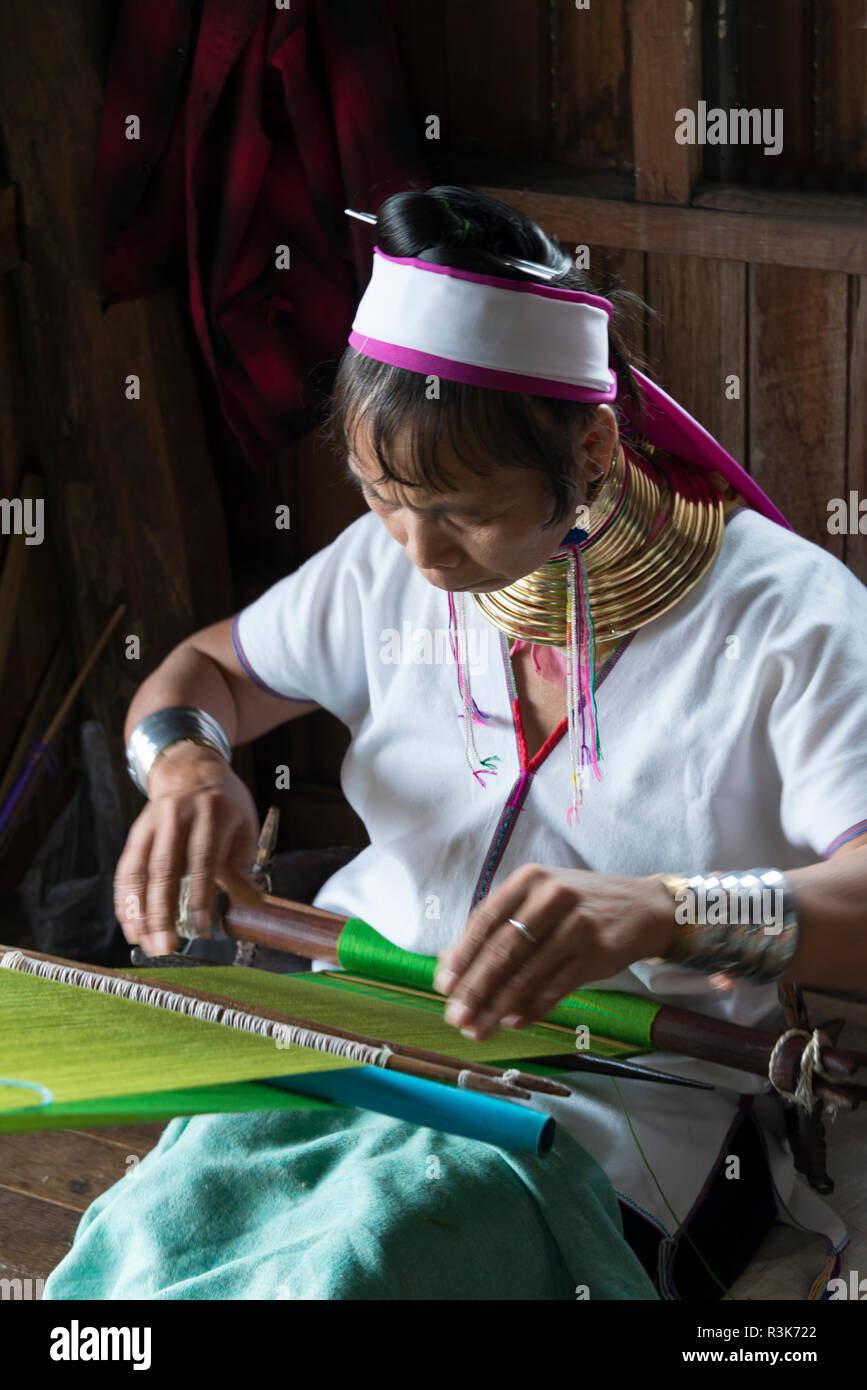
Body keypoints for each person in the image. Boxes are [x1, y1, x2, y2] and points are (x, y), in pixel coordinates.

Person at [45, 186, 867, 1301]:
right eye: (383, 495)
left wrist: (668, 907)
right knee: (143, 1245)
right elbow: (212, 673)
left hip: (617, 1100)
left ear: (589, 445)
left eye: (465, 511)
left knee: (372, 1262)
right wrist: (185, 766)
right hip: (342, 1037)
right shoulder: (389, 562)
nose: (420, 552)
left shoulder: (789, 620)